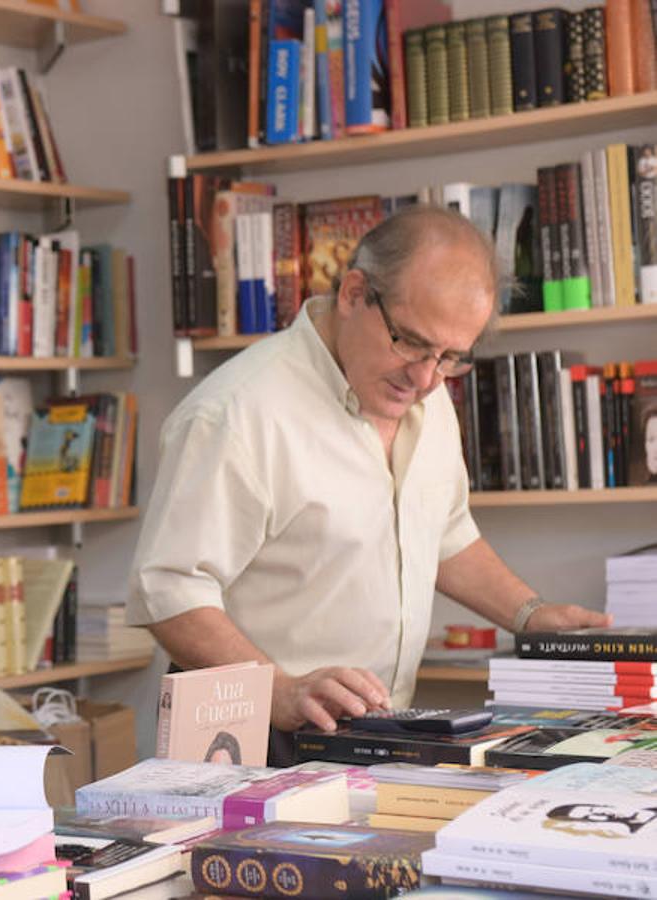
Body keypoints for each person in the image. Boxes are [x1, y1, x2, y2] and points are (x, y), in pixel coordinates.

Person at [128, 205, 609, 754]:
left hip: (369, 734)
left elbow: (443, 534)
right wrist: (277, 690)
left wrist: (531, 615)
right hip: (246, 735)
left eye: (451, 357)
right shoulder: (235, 414)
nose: (428, 378)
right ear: (355, 293)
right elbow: (168, 589)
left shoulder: (423, 394)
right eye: (410, 342)